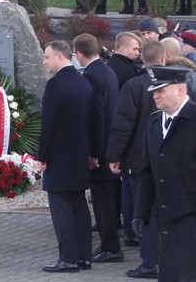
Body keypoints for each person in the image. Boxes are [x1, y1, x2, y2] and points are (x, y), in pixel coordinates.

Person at [133, 65, 196, 281]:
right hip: (165, 217)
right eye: (153, 91)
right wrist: (140, 212)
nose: (155, 96)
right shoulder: (153, 122)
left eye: (161, 90)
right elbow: (147, 173)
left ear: (180, 90)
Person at [108, 41, 164, 279]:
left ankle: (150, 261)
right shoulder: (179, 86)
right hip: (169, 157)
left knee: (146, 209)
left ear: (141, 58)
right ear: (164, 58)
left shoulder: (134, 86)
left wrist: (114, 155)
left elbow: (122, 125)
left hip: (140, 158)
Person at [37, 40, 93, 273]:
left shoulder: (55, 85)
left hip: (59, 157)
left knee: (61, 209)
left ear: (60, 56)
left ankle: (68, 258)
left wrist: (41, 157)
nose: (45, 62)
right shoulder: (84, 83)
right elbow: (93, 120)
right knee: (79, 205)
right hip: (80, 155)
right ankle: (84, 257)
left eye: (47, 57)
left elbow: (48, 124)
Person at [73, 34, 122, 263]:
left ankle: (110, 247)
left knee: (102, 202)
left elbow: (96, 115)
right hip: (111, 142)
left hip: (101, 149)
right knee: (108, 198)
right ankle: (110, 245)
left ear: (80, 54)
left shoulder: (91, 74)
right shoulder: (107, 70)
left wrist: (94, 153)